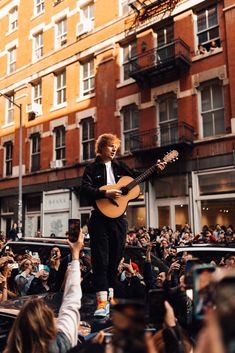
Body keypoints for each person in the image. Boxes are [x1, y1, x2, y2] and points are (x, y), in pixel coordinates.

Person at [80, 133, 165, 317]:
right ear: (101, 147)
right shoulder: (91, 168)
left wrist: (155, 169)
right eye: (110, 146)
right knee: (100, 260)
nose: (114, 149)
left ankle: (109, 296)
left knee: (115, 259)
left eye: (115, 146)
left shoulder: (120, 166)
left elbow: (137, 177)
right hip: (99, 218)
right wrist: (105, 194)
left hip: (119, 219)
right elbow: (84, 189)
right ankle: (101, 303)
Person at [3, 230, 84, 353]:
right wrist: (75, 255)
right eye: (26, 265)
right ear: (50, 327)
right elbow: (71, 301)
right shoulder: (61, 345)